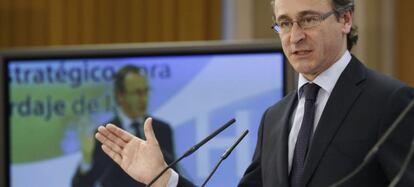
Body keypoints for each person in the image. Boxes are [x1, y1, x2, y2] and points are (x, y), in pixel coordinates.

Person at [93, 0, 414, 186]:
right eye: (284, 24)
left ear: (345, 19)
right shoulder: (274, 120)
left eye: (309, 20)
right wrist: (165, 180)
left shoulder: (391, 102)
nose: (295, 36)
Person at [72, 65, 177, 187]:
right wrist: (86, 159)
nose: (143, 98)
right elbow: (82, 185)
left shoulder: (162, 130)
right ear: (120, 95)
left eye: (146, 91)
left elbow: (171, 175)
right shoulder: (105, 134)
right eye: (138, 92)